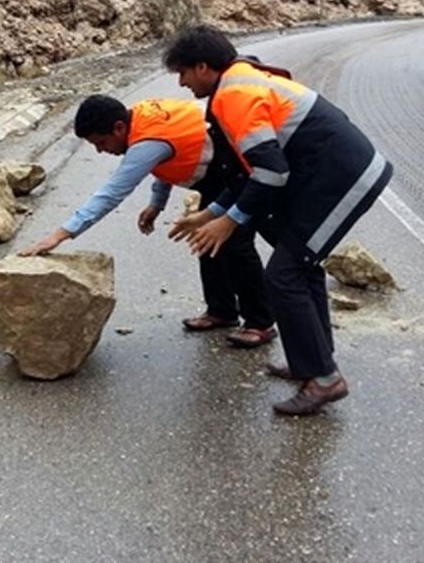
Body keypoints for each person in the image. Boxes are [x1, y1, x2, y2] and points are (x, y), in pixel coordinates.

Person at [163, 24, 393, 416]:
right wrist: (210, 212)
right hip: (334, 173)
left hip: (342, 176)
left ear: (203, 67)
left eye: (183, 73)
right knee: (300, 269)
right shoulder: (238, 82)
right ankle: (313, 362)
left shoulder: (234, 96)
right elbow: (248, 172)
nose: (182, 83)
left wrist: (230, 220)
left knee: (284, 276)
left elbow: (271, 172)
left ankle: (323, 379)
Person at [19, 94, 276, 348]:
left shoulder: (146, 141)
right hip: (216, 168)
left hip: (239, 168)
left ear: (119, 128)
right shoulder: (142, 119)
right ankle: (222, 310)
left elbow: (110, 194)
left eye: (101, 142)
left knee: (235, 243)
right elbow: (168, 156)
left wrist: (60, 235)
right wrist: (157, 203)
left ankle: (260, 322)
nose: (101, 150)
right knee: (205, 237)